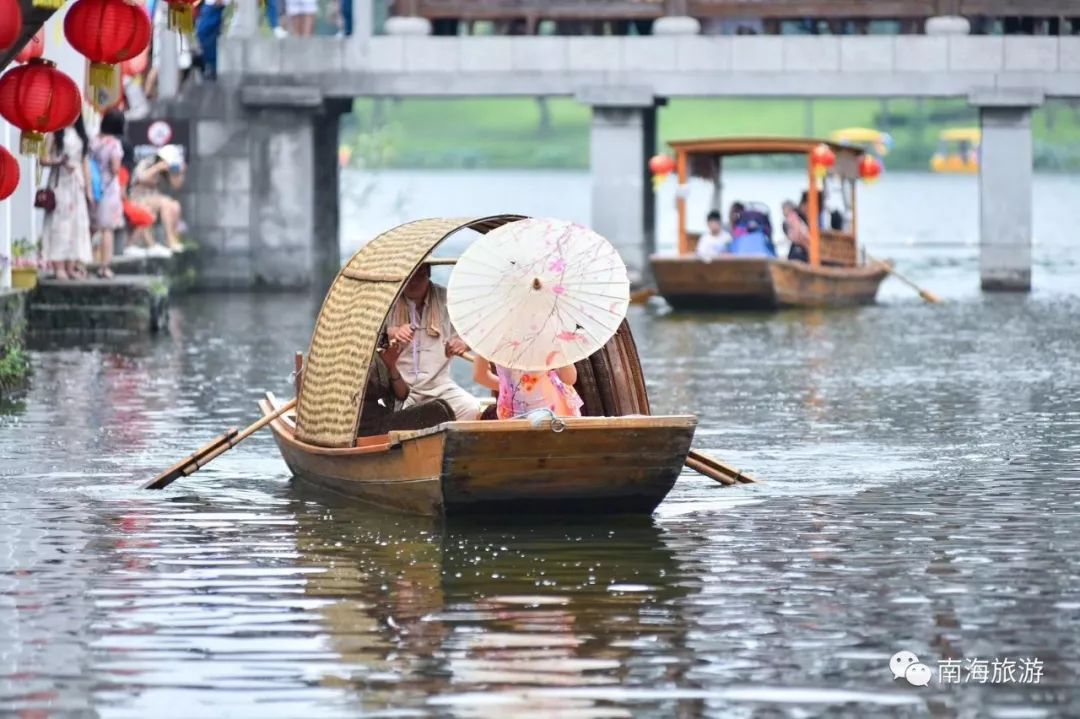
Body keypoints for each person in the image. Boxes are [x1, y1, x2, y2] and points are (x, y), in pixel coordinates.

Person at [386, 263, 482, 421]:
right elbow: (372, 338)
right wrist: (394, 332)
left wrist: (462, 342)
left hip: (439, 386)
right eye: (409, 276)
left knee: (470, 409)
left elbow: (473, 331)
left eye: (419, 275)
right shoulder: (388, 301)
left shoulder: (447, 299)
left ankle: (448, 446)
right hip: (400, 389)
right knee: (389, 420)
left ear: (428, 273)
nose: (413, 281)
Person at [357, 332, 455, 436]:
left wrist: (391, 365)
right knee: (436, 411)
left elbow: (402, 394)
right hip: (364, 426)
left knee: (442, 405)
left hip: (381, 417)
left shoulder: (377, 354)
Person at [40, 117, 93, 280]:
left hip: (76, 185)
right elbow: (43, 159)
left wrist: (89, 190)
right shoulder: (54, 133)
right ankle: (58, 266)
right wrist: (59, 162)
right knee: (59, 224)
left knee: (76, 224)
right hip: (60, 184)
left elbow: (84, 163)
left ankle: (71, 266)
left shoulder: (81, 134)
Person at [472, 356, 583, 420]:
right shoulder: (548, 333)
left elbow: (480, 376)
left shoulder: (491, 335)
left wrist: (513, 389)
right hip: (552, 412)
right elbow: (569, 378)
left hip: (511, 413)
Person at [90, 109, 126, 278]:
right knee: (107, 229)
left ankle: (85, 263)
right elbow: (115, 168)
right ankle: (105, 267)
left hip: (92, 187)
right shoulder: (114, 144)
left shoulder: (93, 141)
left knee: (91, 227)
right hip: (108, 189)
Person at [130, 144, 186, 251]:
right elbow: (141, 178)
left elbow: (176, 185)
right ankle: (169, 239)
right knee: (165, 203)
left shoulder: (167, 170)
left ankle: (173, 239)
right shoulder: (147, 163)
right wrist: (157, 167)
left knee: (175, 205)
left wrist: (178, 172)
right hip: (138, 198)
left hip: (155, 199)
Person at [195, 0, 229, 81]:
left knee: (206, 34)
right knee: (208, 37)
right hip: (209, 5)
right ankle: (211, 67)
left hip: (214, 5)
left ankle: (211, 67)